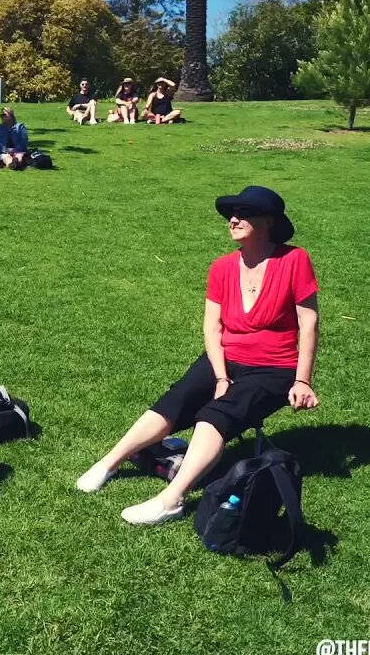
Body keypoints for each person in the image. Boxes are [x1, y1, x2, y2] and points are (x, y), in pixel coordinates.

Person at [76, 186, 320, 525]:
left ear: (267, 221)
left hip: (274, 367)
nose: (233, 219)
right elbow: (212, 328)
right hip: (226, 358)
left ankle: (171, 499)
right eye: (231, 214)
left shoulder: (294, 260)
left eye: (244, 213)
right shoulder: (222, 268)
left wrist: (302, 379)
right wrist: (221, 376)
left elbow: (309, 323)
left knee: (215, 415)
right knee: (177, 400)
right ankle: (109, 463)